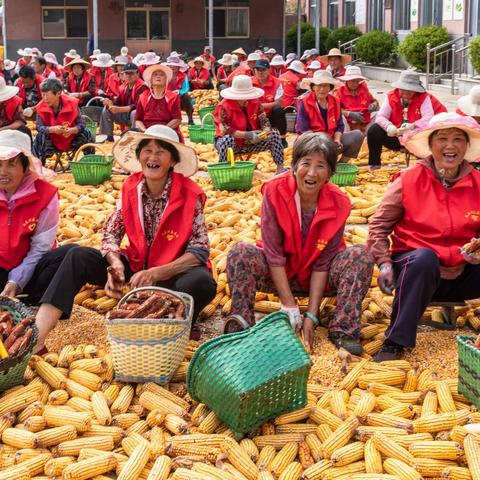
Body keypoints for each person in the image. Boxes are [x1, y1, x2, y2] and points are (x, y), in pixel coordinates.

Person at [33, 125, 217, 351]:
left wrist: (157, 273)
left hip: (171, 276)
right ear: (139, 157)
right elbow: (111, 231)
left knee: (202, 282)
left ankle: (177, 325)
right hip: (136, 270)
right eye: (147, 151)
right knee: (76, 255)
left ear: (172, 161)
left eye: (161, 152)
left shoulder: (190, 194)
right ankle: (38, 336)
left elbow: (199, 250)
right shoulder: (131, 188)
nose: (153, 157)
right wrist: (115, 263)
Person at [225, 133, 374, 353]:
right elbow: (273, 254)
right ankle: (242, 327)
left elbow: (323, 263)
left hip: (317, 277)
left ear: (330, 173)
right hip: (279, 272)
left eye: (321, 166)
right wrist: (289, 305)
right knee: (240, 253)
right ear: (294, 166)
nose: (312, 173)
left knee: (361, 255)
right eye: (306, 163)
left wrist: (311, 316)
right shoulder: (275, 191)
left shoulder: (339, 203)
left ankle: (343, 329)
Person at [367, 112, 480, 361]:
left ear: (466, 146)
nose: (450, 146)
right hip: (415, 271)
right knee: (424, 258)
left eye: (458, 139)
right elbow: (378, 227)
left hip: (462, 274)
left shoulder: (478, 183)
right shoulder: (408, 180)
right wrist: (384, 264)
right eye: (442, 138)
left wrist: (476, 253)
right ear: (430, 145)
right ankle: (395, 340)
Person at [0, 129, 67, 303]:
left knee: (68, 255)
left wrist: (17, 280)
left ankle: (35, 302)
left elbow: (40, 247)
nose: (3, 172)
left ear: (25, 167)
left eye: (11, 164)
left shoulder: (46, 195)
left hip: (32, 269)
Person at [367, 70, 447, 170]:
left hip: (417, 138)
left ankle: (428, 168)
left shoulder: (424, 98)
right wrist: (388, 126)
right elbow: (381, 116)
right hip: (395, 136)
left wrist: (413, 125)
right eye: (402, 90)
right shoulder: (392, 96)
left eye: (409, 90)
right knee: (374, 130)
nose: (405, 93)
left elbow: (428, 118)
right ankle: (374, 164)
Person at [214, 74, 285, 174]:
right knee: (227, 140)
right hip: (233, 143)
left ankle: (280, 168)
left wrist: (265, 131)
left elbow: (264, 120)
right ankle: (224, 171)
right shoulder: (224, 106)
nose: (244, 98)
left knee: (274, 134)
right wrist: (248, 135)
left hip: (251, 142)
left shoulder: (255, 103)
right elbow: (225, 129)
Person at [296, 70, 364, 163]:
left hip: (331, 141)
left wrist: (337, 140)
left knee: (357, 135)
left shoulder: (335, 101)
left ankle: (341, 164)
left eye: (326, 85)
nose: (322, 89)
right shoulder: (304, 102)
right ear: (313, 87)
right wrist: (322, 143)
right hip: (311, 142)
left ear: (330, 87)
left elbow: (340, 125)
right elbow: (303, 128)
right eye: (319, 85)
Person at [33, 78, 93, 164]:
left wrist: (73, 130)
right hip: (52, 140)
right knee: (40, 137)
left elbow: (82, 123)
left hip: (71, 138)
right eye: (43, 95)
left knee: (86, 133)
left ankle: (90, 162)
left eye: (47, 95)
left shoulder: (72, 103)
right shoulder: (41, 106)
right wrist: (52, 129)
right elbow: (39, 127)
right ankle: (39, 167)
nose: (45, 98)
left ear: (58, 93)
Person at [100, 62, 147, 142]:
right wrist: (109, 103)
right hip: (126, 115)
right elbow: (117, 101)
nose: (129, 76)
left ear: (137, 74)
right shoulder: (123, 87)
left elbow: (137, 105)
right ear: (123, 75)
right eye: (127, 73)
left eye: (131, 73)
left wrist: (118, 109)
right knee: (106, 109)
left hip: (140, 118)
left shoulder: (142, 86)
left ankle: (134, 138)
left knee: (135, 112)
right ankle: (108, 136)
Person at [135, 64, 182, 139]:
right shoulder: (143, 96)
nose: (158, 76)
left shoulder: (173, 97)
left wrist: (161, 130)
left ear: (166, 80)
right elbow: (138, 119)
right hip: (147, 130)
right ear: (150, 80)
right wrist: (144, 130)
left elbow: (177, 119)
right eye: (155, 75)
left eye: (161, 75)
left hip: (167, 130)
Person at [251, 59, 287, 148]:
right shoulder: (249, 81)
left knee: (279, 110)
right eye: (258, 70)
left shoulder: (277, 82)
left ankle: (282, 137)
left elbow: (278, 102)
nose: (260, 72)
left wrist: (261, 106)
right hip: (254, 114)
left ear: (269, 70)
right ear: (254, 70)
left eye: (263, 69)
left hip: (270, 114)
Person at [336, 65, 379, 132]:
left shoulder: (364, 89)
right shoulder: (339, 92)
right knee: (341, 118)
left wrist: (373, 105)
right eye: (353, 81)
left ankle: (368, 135)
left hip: (365, 123)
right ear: (347, 80)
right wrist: (349, 113)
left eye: (357, 81)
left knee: (380, 115)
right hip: (348, 126)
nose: (355, 84)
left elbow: (374, 101)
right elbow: (335, 109)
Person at [164, 55, 194, 126]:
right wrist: (169, 93)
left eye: (174, 65)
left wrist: (179, 92)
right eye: (170, 65)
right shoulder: (164, 75)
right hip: (167, 96)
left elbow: (186, 88)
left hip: (180, 97)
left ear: (178, 67)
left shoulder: (183, 76)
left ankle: (190, 119)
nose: (172, 67)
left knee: (187, 97)